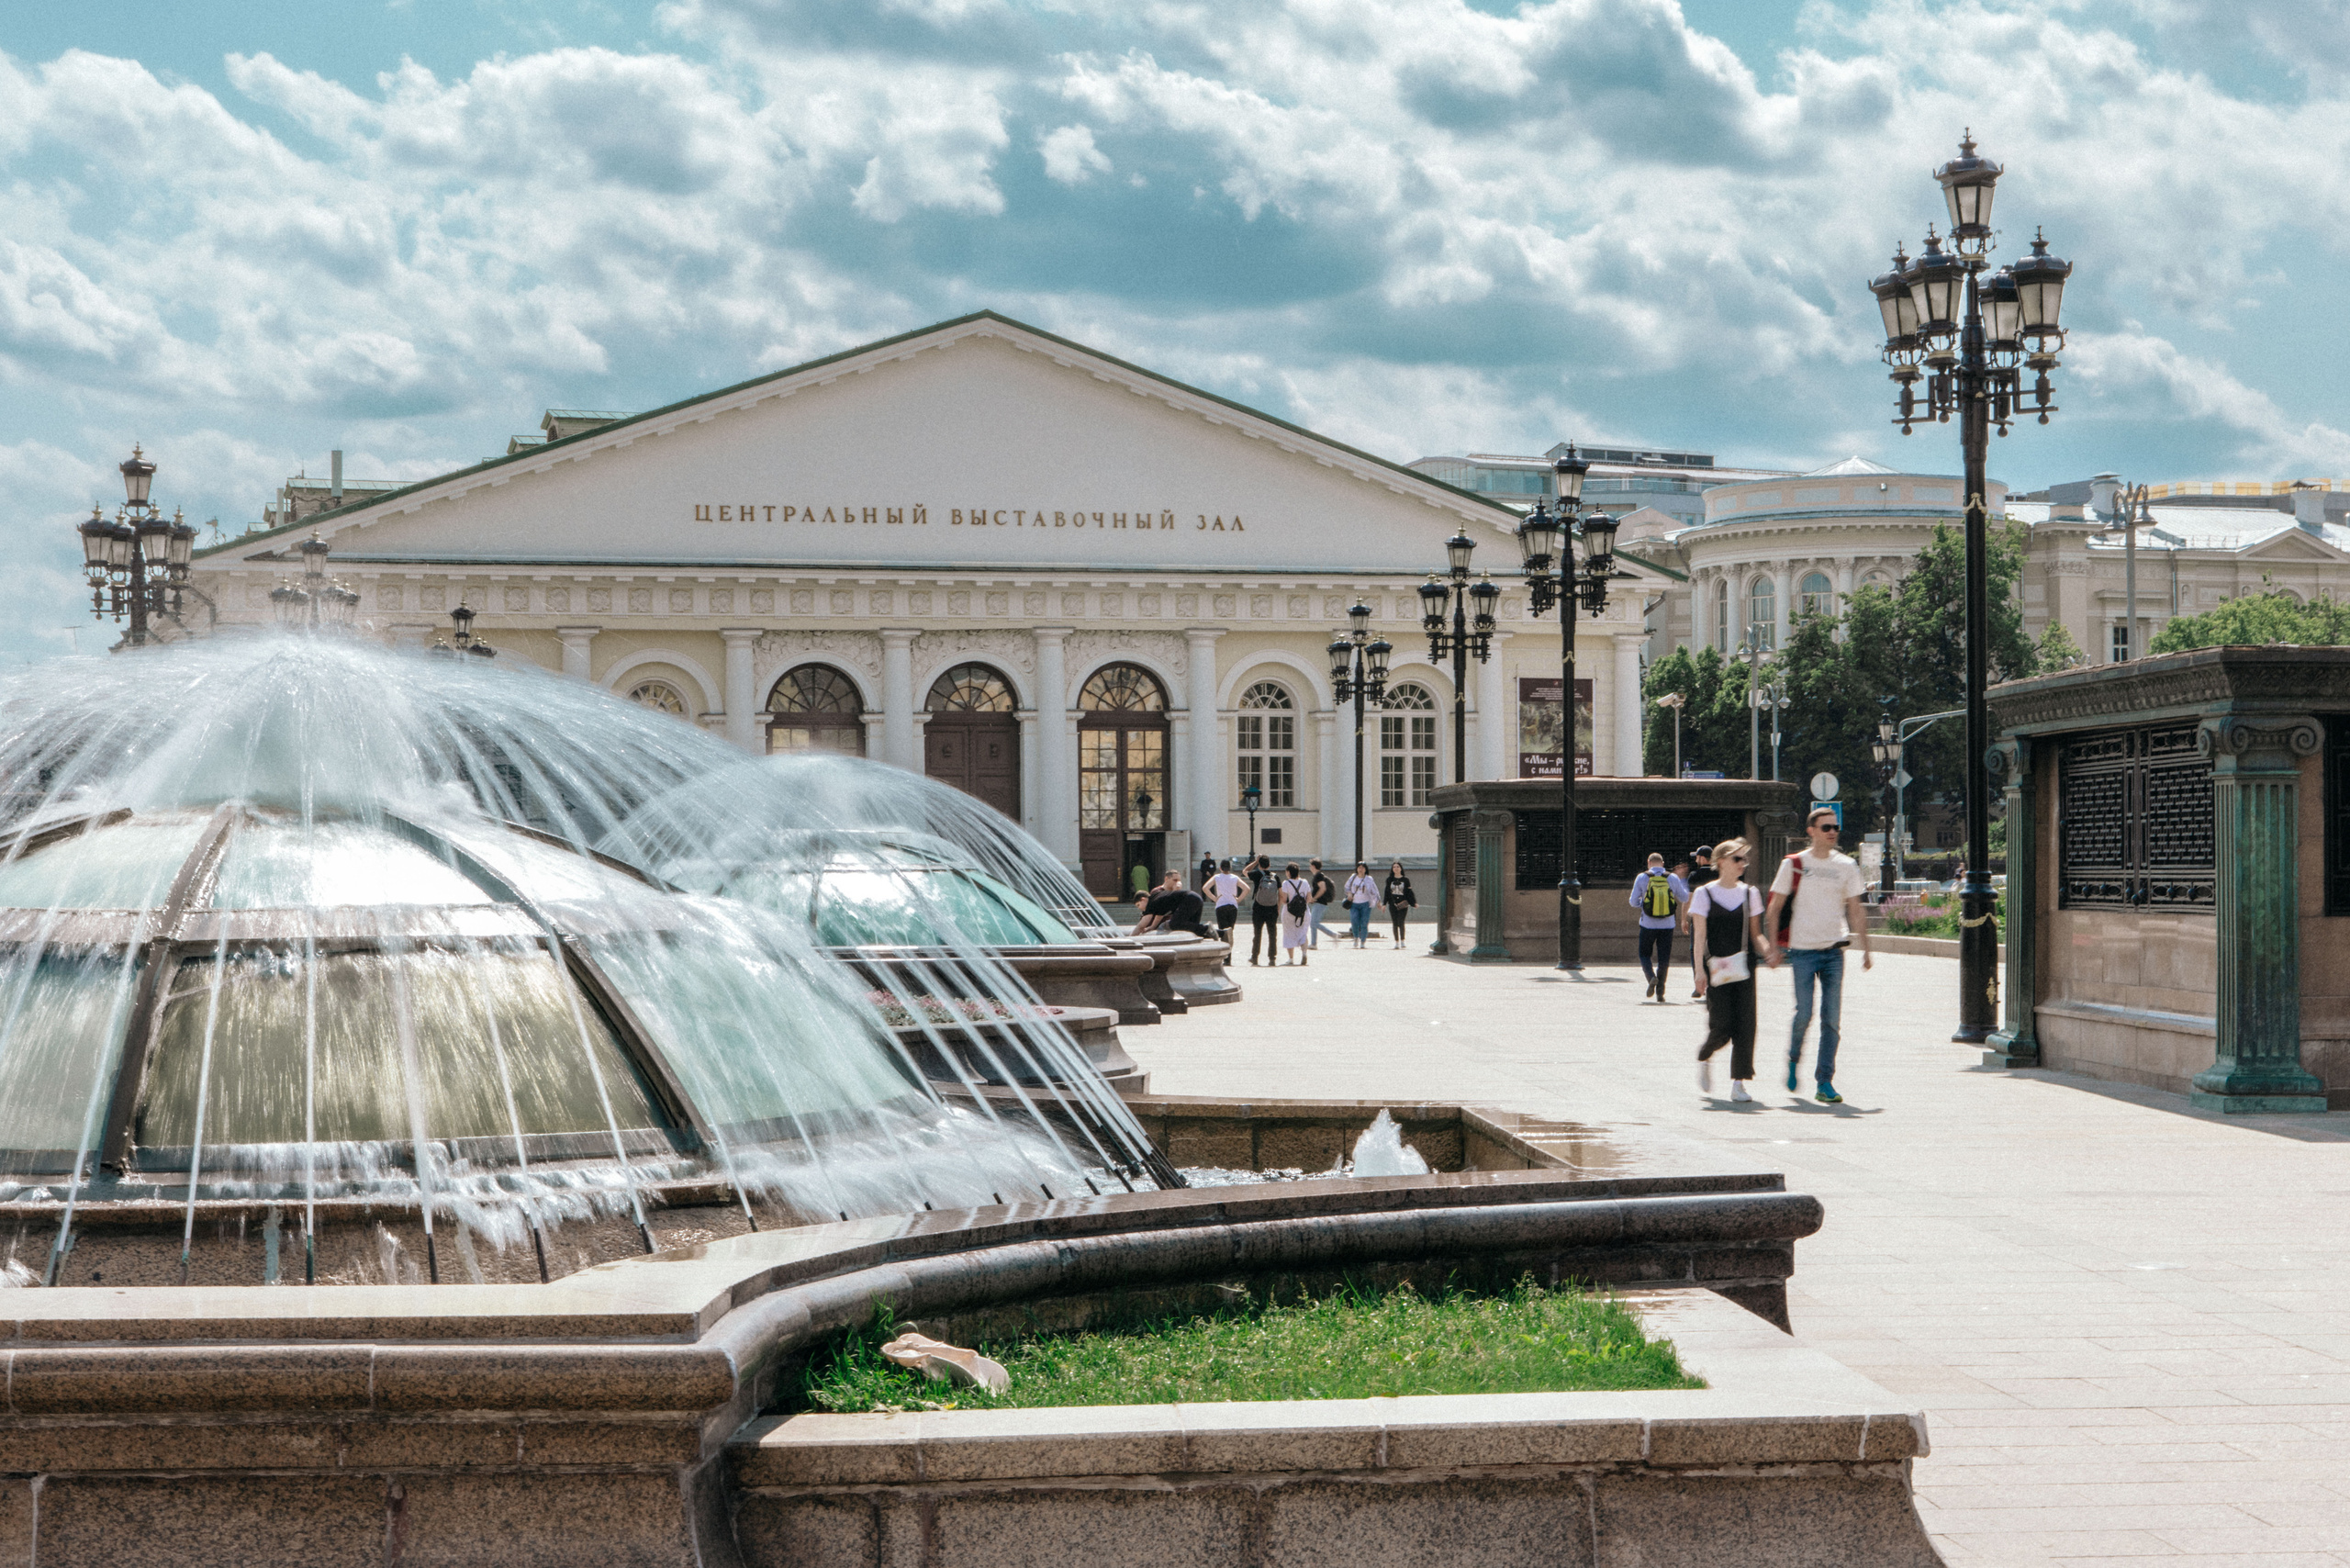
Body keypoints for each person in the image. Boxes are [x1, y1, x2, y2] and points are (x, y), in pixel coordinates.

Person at [1765, 807, 1875, 1105]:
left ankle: (1824, 1081)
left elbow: (1855, 908)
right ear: (1811, 831)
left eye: (1836, 827)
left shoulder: (1847, 865)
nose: (1832, 832)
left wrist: (1866, 948)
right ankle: (1793, 1059)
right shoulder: (1795, 864)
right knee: (1804, 1014)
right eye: (1826, 827)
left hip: (1833, 952)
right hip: (1802, 952)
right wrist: (1774, 947)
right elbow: (1775, 908)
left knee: (1832, 1020)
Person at [1690, 838, 1774, 1103]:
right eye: (1738, 859)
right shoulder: (1705, 893)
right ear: (1722, 861)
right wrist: (1698, 972)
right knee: (1722, 1024)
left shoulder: (1750, 893)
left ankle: (1739, 1083)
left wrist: (1768, 950)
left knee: (1746, 1025)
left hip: (1744, 966)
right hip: (1716, 967)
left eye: (1744, 859)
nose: (1742, 864)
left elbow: (1756, 933)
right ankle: (1705, 1054)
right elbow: (1699, 936)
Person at [1628, 852, 1688, 1003]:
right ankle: (1660, 992)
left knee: (1644, 954)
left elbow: (1633, 902)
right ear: (1662, 863)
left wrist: (1644, 903)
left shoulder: (1642, 877)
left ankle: (1651, 977)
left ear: (1649, 863)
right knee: (1664, 959)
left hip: (1647, 924)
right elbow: (1684, 898)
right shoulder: (1672, 878)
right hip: (1668, 925)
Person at [1135, 870, 1210, 937]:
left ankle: (1207, 928)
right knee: (1195, 930)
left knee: (1176, 924)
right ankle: (1220, 933)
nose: (1177, 883)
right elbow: (1159, 914)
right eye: (1175, 880)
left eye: (1179, 880)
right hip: (1194, 899)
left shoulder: (1174, 893)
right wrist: (1152, 926)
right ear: (1166, 879)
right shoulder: (1157, 892)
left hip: (1192, 900)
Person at [1247, 854, 1281, 966]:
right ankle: (1272, 958)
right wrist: (1278, 907)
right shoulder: (1275, 877)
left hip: (1258, 907)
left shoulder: (1257, 874)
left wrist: (1255, 862)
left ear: (1260, 864)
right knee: (1272, 934)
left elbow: (1245, 871)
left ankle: (1255, 957)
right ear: (1269, 865)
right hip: (1272, 908)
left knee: (1257, 933)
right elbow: (1281, 894)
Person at [1278, 861, 1315, 965]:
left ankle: (1291, 959)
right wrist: (1301, 905)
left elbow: (1284, 900)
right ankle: (1304, 953)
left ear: (1288, 872)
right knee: (1303, 933)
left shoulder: (1286, 883)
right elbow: (1309, 898)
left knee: (1288, 934)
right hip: (1304, 913)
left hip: (1289, 913)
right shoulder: (1305, 882)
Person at [1206, 858, 1245, 945]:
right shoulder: (1235, 878)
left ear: (1220, 868)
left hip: (1221, 905)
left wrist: (1214, 898)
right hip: (1232, 906)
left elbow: (1205, 888)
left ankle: (1225, 953)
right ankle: (1229, 953)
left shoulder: (1217, 877)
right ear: (1230, 867)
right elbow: (1247, 889)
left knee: (1223, 931)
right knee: (1230, 931)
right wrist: (1238, 899)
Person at [1343, 861, 1377, 948]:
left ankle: (1363, 941)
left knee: (1364, 923)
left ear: (1366, 869)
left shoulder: (1369, 879)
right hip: (1354, 903)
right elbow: (1347, 887)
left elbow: (1374, 891)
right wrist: (1349, 894)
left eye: (1362, 867)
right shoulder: (1353, 877)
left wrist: (1378, 901)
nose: (1361, 869)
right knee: (1354, 921)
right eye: (1359, 868)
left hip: (1365, 904)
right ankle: (1356, 937)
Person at [1382, 860, 1416, 947]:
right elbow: (1387, 892)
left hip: (1403, 904)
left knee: (1401, 922)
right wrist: (1384, 904)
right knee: (1395, 923)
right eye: (1394, 867)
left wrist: (1413, 903)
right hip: (1393, 904)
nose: (1396, 868)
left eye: (1398, 867)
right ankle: (1396, 942)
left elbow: (1409, 892)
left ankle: (1402, 940)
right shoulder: (1389, 880)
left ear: (1401, 868)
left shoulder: (1405, 880)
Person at [1307, 859, 1335, 948]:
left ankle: (1333, 935)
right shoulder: (1318, 876)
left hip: (1320, 903)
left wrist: (1314, 898)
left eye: (1310, 866)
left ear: (1314, 866)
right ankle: (1314, 943)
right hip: (1320, 903)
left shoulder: (1318, 876)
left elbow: (1322, 888)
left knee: (1314, 923)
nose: (1309, 867)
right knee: (1313, 923)